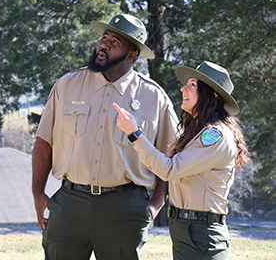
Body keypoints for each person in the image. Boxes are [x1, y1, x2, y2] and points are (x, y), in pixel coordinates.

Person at [32, 13, 179, 260]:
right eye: (104, 37)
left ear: (133, 55)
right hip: (70, 204)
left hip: (125, 208)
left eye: (115, 42)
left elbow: (172, 156)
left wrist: (155, 205)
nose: (104, 45)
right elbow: (44, 141)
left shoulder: (154, 97)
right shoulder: (67, 85)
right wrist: (38, 194)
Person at [114, 61, 249, 259]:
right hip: (186, 229)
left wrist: (135, 134)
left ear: (211, 95)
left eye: (192, 85)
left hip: (202, 232)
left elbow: (169, 170)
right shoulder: (195, 133)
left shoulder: (214, 136)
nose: (182, 88)